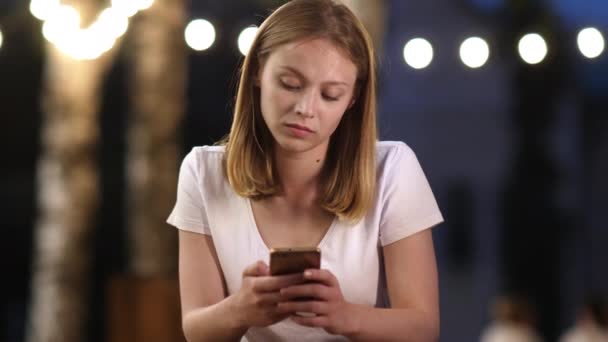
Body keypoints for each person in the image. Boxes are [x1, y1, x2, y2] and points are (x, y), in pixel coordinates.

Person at [167, 0, 443, 340]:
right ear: (257, 71)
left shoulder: (391, 170)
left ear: (353, 99)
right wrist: (240, 309)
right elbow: (196, 329)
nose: (305, 109)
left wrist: (345, 316)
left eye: (330, 95)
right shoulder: (203, 172)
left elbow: (423, 328)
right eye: (290, 84)